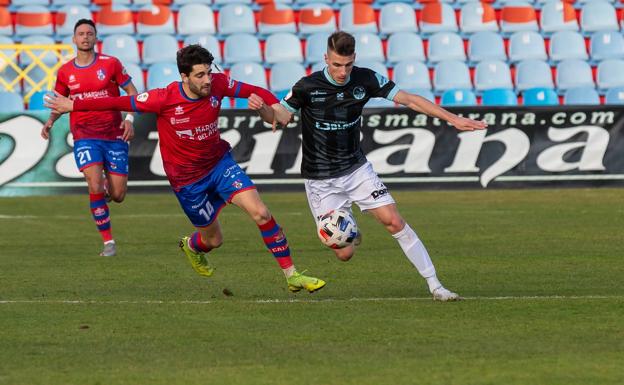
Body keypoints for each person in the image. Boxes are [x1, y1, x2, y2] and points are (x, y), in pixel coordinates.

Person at [45, 44, 326, 293]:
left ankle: (292, 275)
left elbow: (253, 90)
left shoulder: (217, 83)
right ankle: (193, 247)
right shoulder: (163, 98)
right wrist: (74, 104)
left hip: (219, 164)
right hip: (188, 182)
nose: (207, 80)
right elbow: (118, 101)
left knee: (261, 212)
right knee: (213, 240)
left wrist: (276, 105)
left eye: (208, 73)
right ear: (184, 76)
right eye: (200, 75)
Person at [258, 31, 488, 301]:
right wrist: (263, 109)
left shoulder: (365, 79)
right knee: (344, 253)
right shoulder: (307, 86)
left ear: (354, 59)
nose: (343, 72)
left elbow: (410, 99)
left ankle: (436, 286)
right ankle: (352, 229)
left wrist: (452, 118)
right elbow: (279, 117)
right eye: (336, 65)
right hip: (320, 180)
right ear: (326, 59)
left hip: (356, 169)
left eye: (348, 65)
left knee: (394, 221)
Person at [41, 19, 138, 257]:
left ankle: (106, 187)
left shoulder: (111, 64)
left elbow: (132, 93)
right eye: (81, 34)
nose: (85, 37)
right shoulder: (65, 72)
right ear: (74, 39)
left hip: (114, 133)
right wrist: (51, 121)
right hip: (84, 134)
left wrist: (129, 119)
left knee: (118, 195)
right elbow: (60, 102)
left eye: (89, 33)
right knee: (93, 183)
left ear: (95, 38)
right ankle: (108, 242)